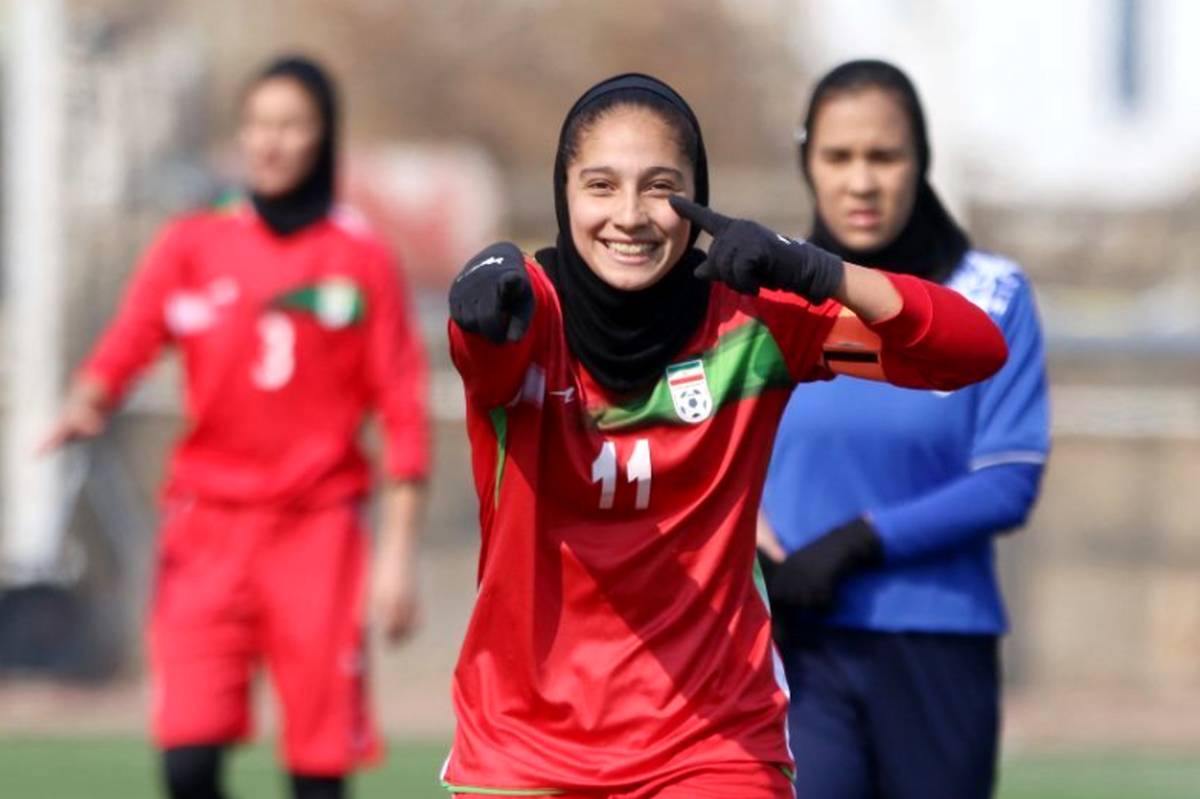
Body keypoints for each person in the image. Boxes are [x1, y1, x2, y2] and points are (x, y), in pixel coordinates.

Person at [442, 72, 1007, 799]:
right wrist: (477, 292)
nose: (630, 215)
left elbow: (971, 351)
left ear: (698, 194)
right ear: (564, 193)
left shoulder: (756, 319)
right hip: (522, 744)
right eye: (601, 186)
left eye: (660, 187)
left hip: (713, 744)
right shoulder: (525, 315)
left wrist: (816, 268)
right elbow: (480, 344)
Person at [41, 56, 429, 799]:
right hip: (205, 528)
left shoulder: (361, 257)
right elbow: (129, 338)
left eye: (290, 125)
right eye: (257, 125)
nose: (270, 142)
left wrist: (398, 555)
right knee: (187, 760)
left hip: (317, 531)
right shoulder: (194, 243)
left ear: (324, 136)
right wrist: (89, 396)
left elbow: (403, 408)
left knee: (317, 770)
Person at [758, 60, 1050, 799]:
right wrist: (759, 548)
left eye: (883, 156)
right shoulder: (763, 296)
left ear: (920, 160)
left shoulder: (991, 295)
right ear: (806, 161)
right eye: (839, 156)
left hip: (937, 640)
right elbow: (709, 448)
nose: (861, 181)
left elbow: (1008, 479)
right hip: (795, 642)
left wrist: (860, 540)